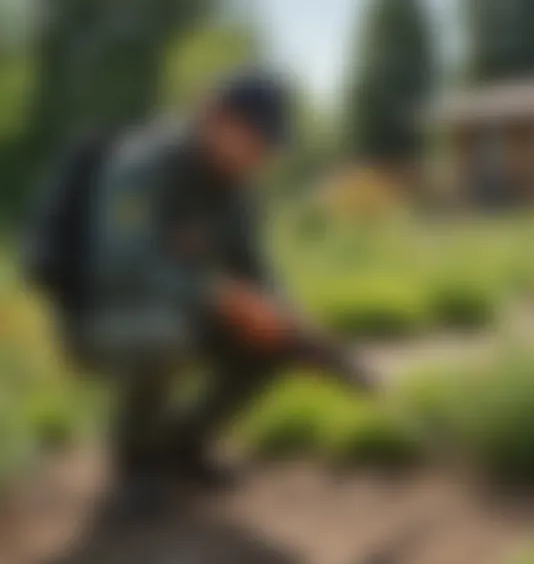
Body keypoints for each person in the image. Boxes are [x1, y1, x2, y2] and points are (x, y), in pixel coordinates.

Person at [52, 69, 368, 512]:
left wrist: (293, 321)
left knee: (275, 340)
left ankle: (183, 448)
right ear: (215, 118)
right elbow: (121, 261)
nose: (262, 156)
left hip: (179, 309)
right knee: (159, 337)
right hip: (101, 313)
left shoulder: (235, 187)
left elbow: (256, 269)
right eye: (255, 139)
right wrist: (218, 294)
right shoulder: (140, 164)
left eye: (269, 145)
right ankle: (134, 464)